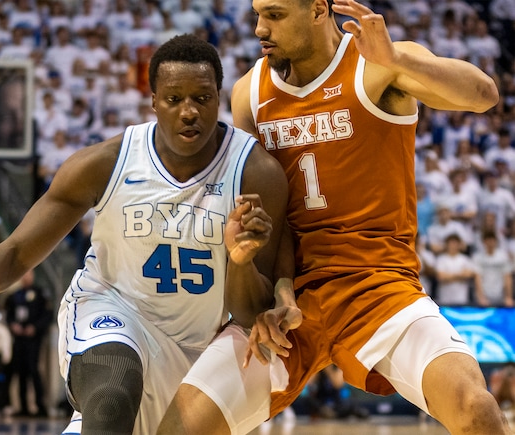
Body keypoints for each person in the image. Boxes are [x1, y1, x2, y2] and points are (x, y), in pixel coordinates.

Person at [0, 34, 289, 435]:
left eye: (202, 97)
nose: (189, 111)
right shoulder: (104, 164)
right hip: (113, 310)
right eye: (174, 99)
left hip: (199, 343)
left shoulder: (255, 173)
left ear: (219, 97)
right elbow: (16, 254)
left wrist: (240, 260)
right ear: (154, 101)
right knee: (111, 397)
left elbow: (251, 312)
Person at [158, 1, 509, 434]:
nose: (259, 29)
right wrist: (280, 294)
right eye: (257, 14)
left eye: (275, 15)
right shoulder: (249, 93)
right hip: (293, 299)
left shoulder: (378, 63)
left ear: (319, 10)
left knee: (476, 411)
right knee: (179, 427)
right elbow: (273, 214)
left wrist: (397, 59)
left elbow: (483, 95)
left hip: (378, 288)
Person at [4, 269, 51, 418]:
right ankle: (23, 406)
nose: (25, 277)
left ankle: (40, 406)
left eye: (28, 274)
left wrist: (35, 328)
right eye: (23, 274)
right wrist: (13, 325)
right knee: (21, 371)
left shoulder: (40, 294)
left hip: (33, 339)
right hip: (19, 339)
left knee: (33, 370)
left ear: (33, 275)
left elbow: (47, 315)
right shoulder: (14, 296)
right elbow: (9, 315)